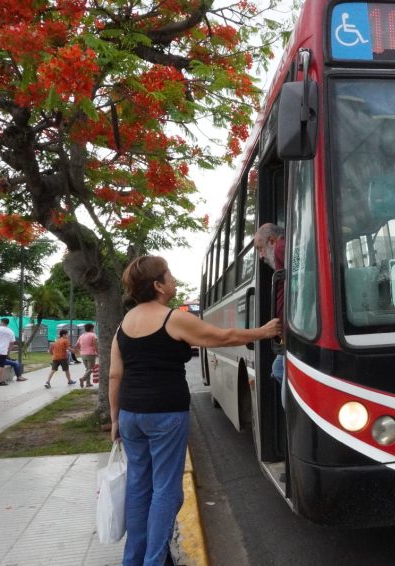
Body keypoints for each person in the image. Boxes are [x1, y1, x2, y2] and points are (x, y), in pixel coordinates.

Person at [110, 255, 279, 566]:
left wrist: (114, 418)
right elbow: (222, 337)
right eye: (169, 275)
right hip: (165, 414)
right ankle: (154, 561)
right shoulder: (172, 318)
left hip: (130, 415)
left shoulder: (124, 324)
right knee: (165, 490)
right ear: (158, 285)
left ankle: (133, 560)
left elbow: (115, 375)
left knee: (138, 486)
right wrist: (264, 332)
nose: (174, 280)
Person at [253, 223, 286, 408]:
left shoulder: (282, 248)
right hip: (286, 335)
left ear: (272, 241)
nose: (261, 256)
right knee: (278, 369)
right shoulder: (282, 251)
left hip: (293, 335)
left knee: (280, 373)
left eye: (261, 248)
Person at [74, 323, 98, 388]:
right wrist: (98, 352)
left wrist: (79, 352)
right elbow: (96, 345)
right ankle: (83, 379)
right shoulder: (93, 335)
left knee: (87, 369)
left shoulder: (81, 336)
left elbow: (76, 346)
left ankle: (88, 383)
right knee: (91, 368)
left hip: (83, 354)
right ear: (91, 328)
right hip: (91, 354)